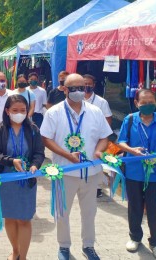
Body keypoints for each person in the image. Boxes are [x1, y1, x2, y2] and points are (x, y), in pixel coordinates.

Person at [40, 74, 112, 260]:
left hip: (91, 172)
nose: (80, 92)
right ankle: (64, 246)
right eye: (74, 89)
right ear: (64, 89)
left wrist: (98, 151)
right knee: (62, 212)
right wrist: (66, 155)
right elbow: (46, 138)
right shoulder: (54, 112)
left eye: (83, 88)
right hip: (64, 171)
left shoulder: (95, 111)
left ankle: (88, 246)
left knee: (89, 212)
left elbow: (105, 136)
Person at [117, 89, 156, 260]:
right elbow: (121, 142)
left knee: (154, 209)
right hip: (134, 172)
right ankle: (135, 238)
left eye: (151, 102)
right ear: (136, 103)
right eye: (143, 103)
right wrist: (131, 151)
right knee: (134, 207)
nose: (147, 105)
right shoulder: (129, 120)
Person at [0, 94, 45, 260]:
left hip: (26, 179)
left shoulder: (33, 129)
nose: (19, 113)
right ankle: (15, 250)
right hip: (5, 179)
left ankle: (24, 256)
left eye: (23, 110)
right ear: (7, 111)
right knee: (10, 217)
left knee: (24, 219)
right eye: (15, 110)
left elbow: (39, 153)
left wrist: (35, 165)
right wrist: (11, 161)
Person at [83, 74, 113, 198]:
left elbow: (108, 119)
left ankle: (97, 188)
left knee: (96, 162)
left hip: (96, 137)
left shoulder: (101, 102)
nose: (87, 86)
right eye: (84, 83)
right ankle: (83, 185)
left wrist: (102, 136)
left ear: (94, 85)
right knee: (82, 160)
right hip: (80, 138)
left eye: (89, 83)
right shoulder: (76, 100)